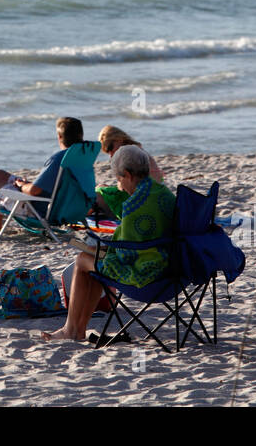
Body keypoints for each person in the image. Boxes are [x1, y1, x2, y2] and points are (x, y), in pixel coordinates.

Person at [40, 145, 175, 342]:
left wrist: (99, 249)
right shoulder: (164, 193)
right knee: (94, 263)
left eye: (119, 180)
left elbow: (125, 255)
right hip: (172, 268)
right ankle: (77, 330)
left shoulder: (134, 205)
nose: (120, 185)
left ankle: (71, 330)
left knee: (82, 260)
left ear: (127, 175)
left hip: (146, 275)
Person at [0, 116, 84, 234]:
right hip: (62, 207)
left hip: (37, 209)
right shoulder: (82, 158)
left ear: (60, 137)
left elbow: (34, 191)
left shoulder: (58, 159)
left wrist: (22, 185)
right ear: (81, 136)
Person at [95, 125, 163, 216]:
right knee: (102, 188)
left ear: (119, 139)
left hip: (142, 199)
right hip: (152, 193)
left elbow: (124, 187)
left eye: (110, 148)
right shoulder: (137, 149)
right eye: (107, 152)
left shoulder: (128, 154)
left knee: (97, 193)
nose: (110, 155)